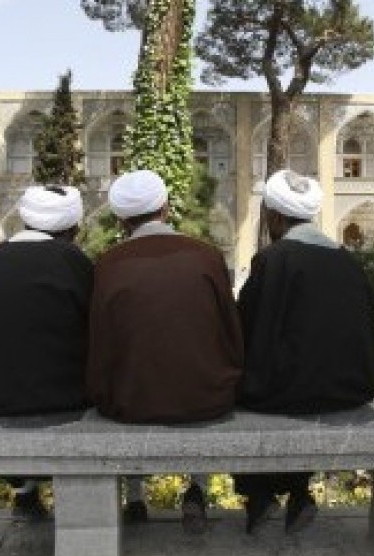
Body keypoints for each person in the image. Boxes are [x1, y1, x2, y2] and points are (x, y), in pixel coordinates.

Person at [86, 169, 244, 534]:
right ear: (166, 208)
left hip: (131, 401)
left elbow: (102, 343)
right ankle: (197, 492)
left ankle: (135, 498)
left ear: (121, 219)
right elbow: (229, 329)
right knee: (197, 378)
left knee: (133, 378)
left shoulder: (108, 264)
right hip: (206, 397)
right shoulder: (206, 256)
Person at [235, 169, 374, 535]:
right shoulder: (348, 262)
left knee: (248, 394)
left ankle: (259, 494)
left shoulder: (275, 259)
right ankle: (299, 492)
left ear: (275, 216)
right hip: (353, 389)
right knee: (297, 389)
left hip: (290, 391)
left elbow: (247, 329)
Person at [0, 184, 93, 519]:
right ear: (73, 229)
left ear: (25, 221)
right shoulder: (74, 264)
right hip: (65, 401)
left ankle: (24, 491)